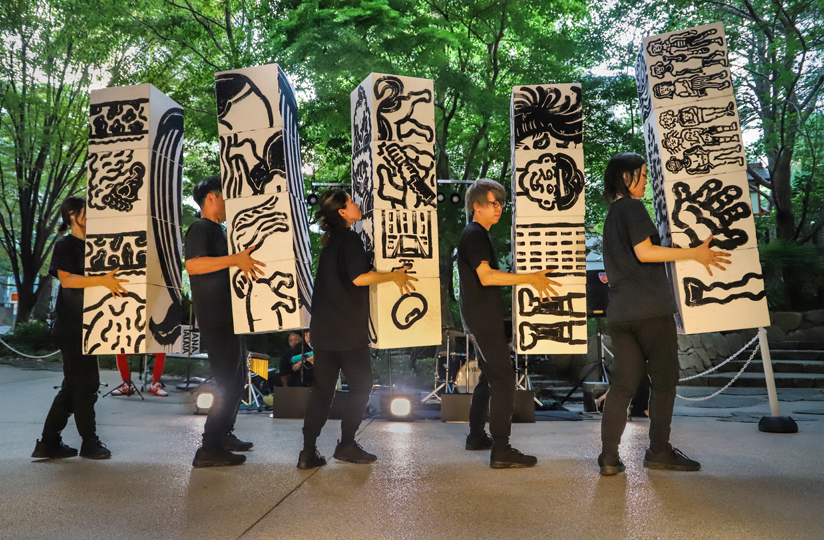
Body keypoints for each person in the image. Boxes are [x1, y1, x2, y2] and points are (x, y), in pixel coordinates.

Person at [598, 153, 729, 476]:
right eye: (642, 175)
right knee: (665, 380)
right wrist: (695, 253)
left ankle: (609, 457)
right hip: (650, 311)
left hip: (620, 313)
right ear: (626, 177)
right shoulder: (632, 208)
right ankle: (659, 451)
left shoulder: (612, 215)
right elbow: (645, 252)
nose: (646, 181)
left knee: (623, 385)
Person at [297, 189, 416, 469]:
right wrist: (395, 276)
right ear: (342, 212)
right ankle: (347, 444)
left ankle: (307, 452)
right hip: (347, 331)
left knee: (322, 392)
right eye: (351, 201)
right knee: (362, 387)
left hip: (324, 330)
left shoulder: (329, 243)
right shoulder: (349, 239)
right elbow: (359, 278)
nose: (356, 203)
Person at [458, 179, 559, 469]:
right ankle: (501, 450)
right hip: (482, 320)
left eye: (501, 202)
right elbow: (487, 276)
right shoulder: (475, 234)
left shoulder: (477, 234)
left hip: (481, 318)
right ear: (476, 206)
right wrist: (530, 278)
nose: (498, 207)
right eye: (492, 202)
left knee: (489, 376)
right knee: (503, 379)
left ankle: (476, 435)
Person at [32, 197, 127, 460]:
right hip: (72, 324)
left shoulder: (94, 246)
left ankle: (49, 442)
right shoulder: (65, 244)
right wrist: (102, 281)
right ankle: (89, 442)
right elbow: (67, 280)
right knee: (86, 384)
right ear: (73, 215)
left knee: (74, 387)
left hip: (89, 324)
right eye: (88, 211)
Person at [185, 176, 261, 468]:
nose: (231, 203)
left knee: (239, 378)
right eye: (226, 196)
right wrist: (234, 259)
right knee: (228, 380)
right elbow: (193, 265)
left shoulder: (223, 231)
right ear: (211, 198)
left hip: (231, 314)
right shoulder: (200, 228)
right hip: (215, 315)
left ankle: (225, 434)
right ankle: (209, 447)